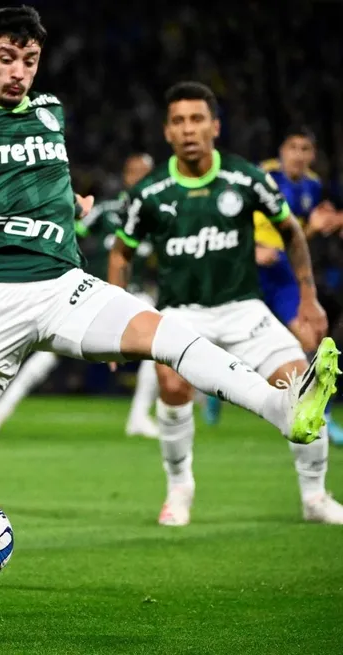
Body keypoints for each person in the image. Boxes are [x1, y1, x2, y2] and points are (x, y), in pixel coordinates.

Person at [0, 6, 339, 563]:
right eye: (7, 58)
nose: (19, 72)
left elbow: (43, 180)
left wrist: (70, 205)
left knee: (170, 335)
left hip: (64, 285)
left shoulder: (50, 111)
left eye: (30, 61)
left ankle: (281, 409)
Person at [110, 81, 343, 526]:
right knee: (172, 385)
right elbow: (121, 252)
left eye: (197, 119)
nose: (188, 129)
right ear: (167, 132)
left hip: (243, 309)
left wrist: (308, 299)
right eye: (178, 121)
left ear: (215, 126)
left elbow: (293, 231)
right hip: (181, 314)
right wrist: (121, 317)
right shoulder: (151, 192)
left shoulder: (245, 177)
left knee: (301, 388)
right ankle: (180, 490)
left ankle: (314, 497)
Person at [0, 153, 159, 438]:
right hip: (90, 293)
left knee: (158, 342)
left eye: (144, 172)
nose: (138, 177)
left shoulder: (159, 216)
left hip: (134, 297)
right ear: (125, 176)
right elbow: (69, 229)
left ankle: (139, 417)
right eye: (133, 171)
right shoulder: (108, 210)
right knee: (42, 354)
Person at [205, 126, 343, 440]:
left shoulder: (313, 185)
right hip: (247, 273)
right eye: (293, 147)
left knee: (311, 340)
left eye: (306, 149)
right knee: (228, 340)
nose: (299, 155)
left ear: (313, 155)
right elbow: (227, 217)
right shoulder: (260, 177)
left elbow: (296, 235)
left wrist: (326, 225)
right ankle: (215, 391)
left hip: (282, 277)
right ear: (281, 151)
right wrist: (251, 248)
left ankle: (323, 417)